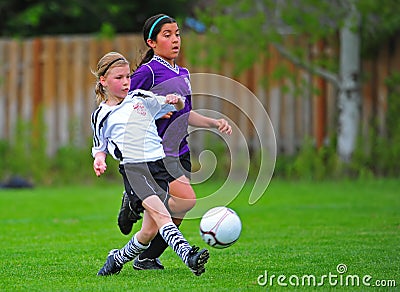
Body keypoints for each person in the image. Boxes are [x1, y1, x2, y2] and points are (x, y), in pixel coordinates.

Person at [117, 14, 232, 271]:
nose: (175, 40)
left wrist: (213, 123)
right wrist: (152, 112)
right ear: (152, 42)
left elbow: (185, 113)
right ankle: (137, 198)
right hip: (158, 152)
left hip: (181, 149)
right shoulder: (147, 72)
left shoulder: (183, 73)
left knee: (177, 212)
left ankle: (147, 257)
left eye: (177, 34)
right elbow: (126, 105)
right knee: (186, 201)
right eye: (167, 35)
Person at [91, 51, 209, 276]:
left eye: (127, 76)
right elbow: (100, 145)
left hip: (159, 166)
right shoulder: (101, 114)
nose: (126, 82)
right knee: (163, 216)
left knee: (148, 232)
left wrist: (176, 100)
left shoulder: (140, 98)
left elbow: (175, 107)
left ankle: (116, 259)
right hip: (135, 170)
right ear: (103, 81)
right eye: (119, 78)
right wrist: (99, 160)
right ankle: (189, 255)